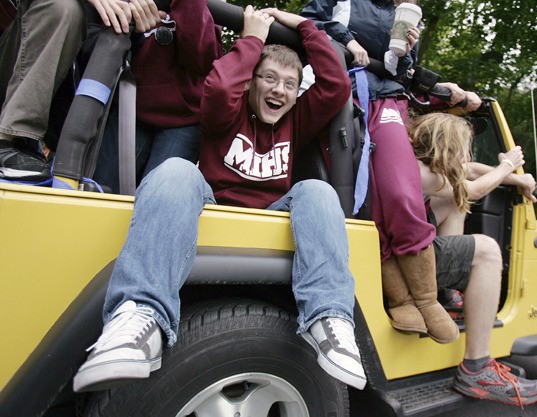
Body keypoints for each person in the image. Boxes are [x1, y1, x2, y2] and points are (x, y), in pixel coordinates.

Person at [73, 6, 367, 393]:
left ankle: (330, 319)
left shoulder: (298, 120)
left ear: (297, 95)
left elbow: (335, 85)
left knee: (317, 190)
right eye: (269, 78)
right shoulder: (227, 111)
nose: (279, 90)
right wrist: (252, 41)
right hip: (213, 203)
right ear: (251, 83)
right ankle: (139, 317)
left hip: (272, 212)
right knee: (176, 171)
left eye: (289, 84)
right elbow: (219, 86)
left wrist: (305, 26)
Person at [301, 0, 480, 343]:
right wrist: (347, 42)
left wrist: (407, 52)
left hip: (386, 100)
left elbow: (400, 74)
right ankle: (401, 300)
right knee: (366, 204)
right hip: (340, 96)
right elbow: (308, 22)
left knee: (400, 189)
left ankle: (427, 300)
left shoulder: (402, 13)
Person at [408, 111, 537, 407]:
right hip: (407, 262)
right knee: (486, 249)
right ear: (448, 145)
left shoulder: (423, 168)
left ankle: (445, 291)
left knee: (455, 203)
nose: (467, 153)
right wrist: (507, 164)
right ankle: (476, 367)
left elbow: (468, 170)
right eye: (465, 146)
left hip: (408, 254)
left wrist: (515, 179)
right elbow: (474, 187)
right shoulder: (424, 174)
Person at [0, 0, 162, 182]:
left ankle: (28, 147)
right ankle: (7, 141)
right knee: (62, 7)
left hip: (74, 116)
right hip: (9, 68)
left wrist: (133, 24)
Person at [91, 0, 223, 194]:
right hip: (128, 106)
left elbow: (203, 61)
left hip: (183, 118)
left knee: (161, 193)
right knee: (102, 189)